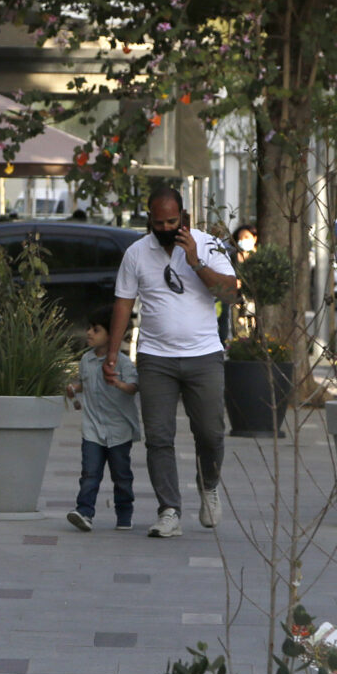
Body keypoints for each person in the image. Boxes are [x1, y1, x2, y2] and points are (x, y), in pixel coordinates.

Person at [107, 186, 240, 538]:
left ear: (184, 218)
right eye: (158, 221)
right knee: (159, 438)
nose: (165, 227)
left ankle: (208, 486)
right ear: (148, 219)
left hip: (204, 355)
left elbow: (230, 293)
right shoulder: (136, 253)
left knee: (211, 433)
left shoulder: (207, 245)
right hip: (155, 358)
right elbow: (123, 303)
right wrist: (112, 353)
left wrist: (195, 260)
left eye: (172, 221)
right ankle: (169, 510)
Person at [66, 305, 142, 532]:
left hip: (118, 430)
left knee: (121, 475)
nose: (89, 333)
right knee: (90, 472)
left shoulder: (123, 362)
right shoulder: (86, 360)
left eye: (96, 329)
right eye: (89, 328)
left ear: (112, 335)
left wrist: (119, 384)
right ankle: (84, 512)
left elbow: (134, 387)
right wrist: (74, 388)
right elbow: (85, 382)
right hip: (92, 428)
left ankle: (124, 513)